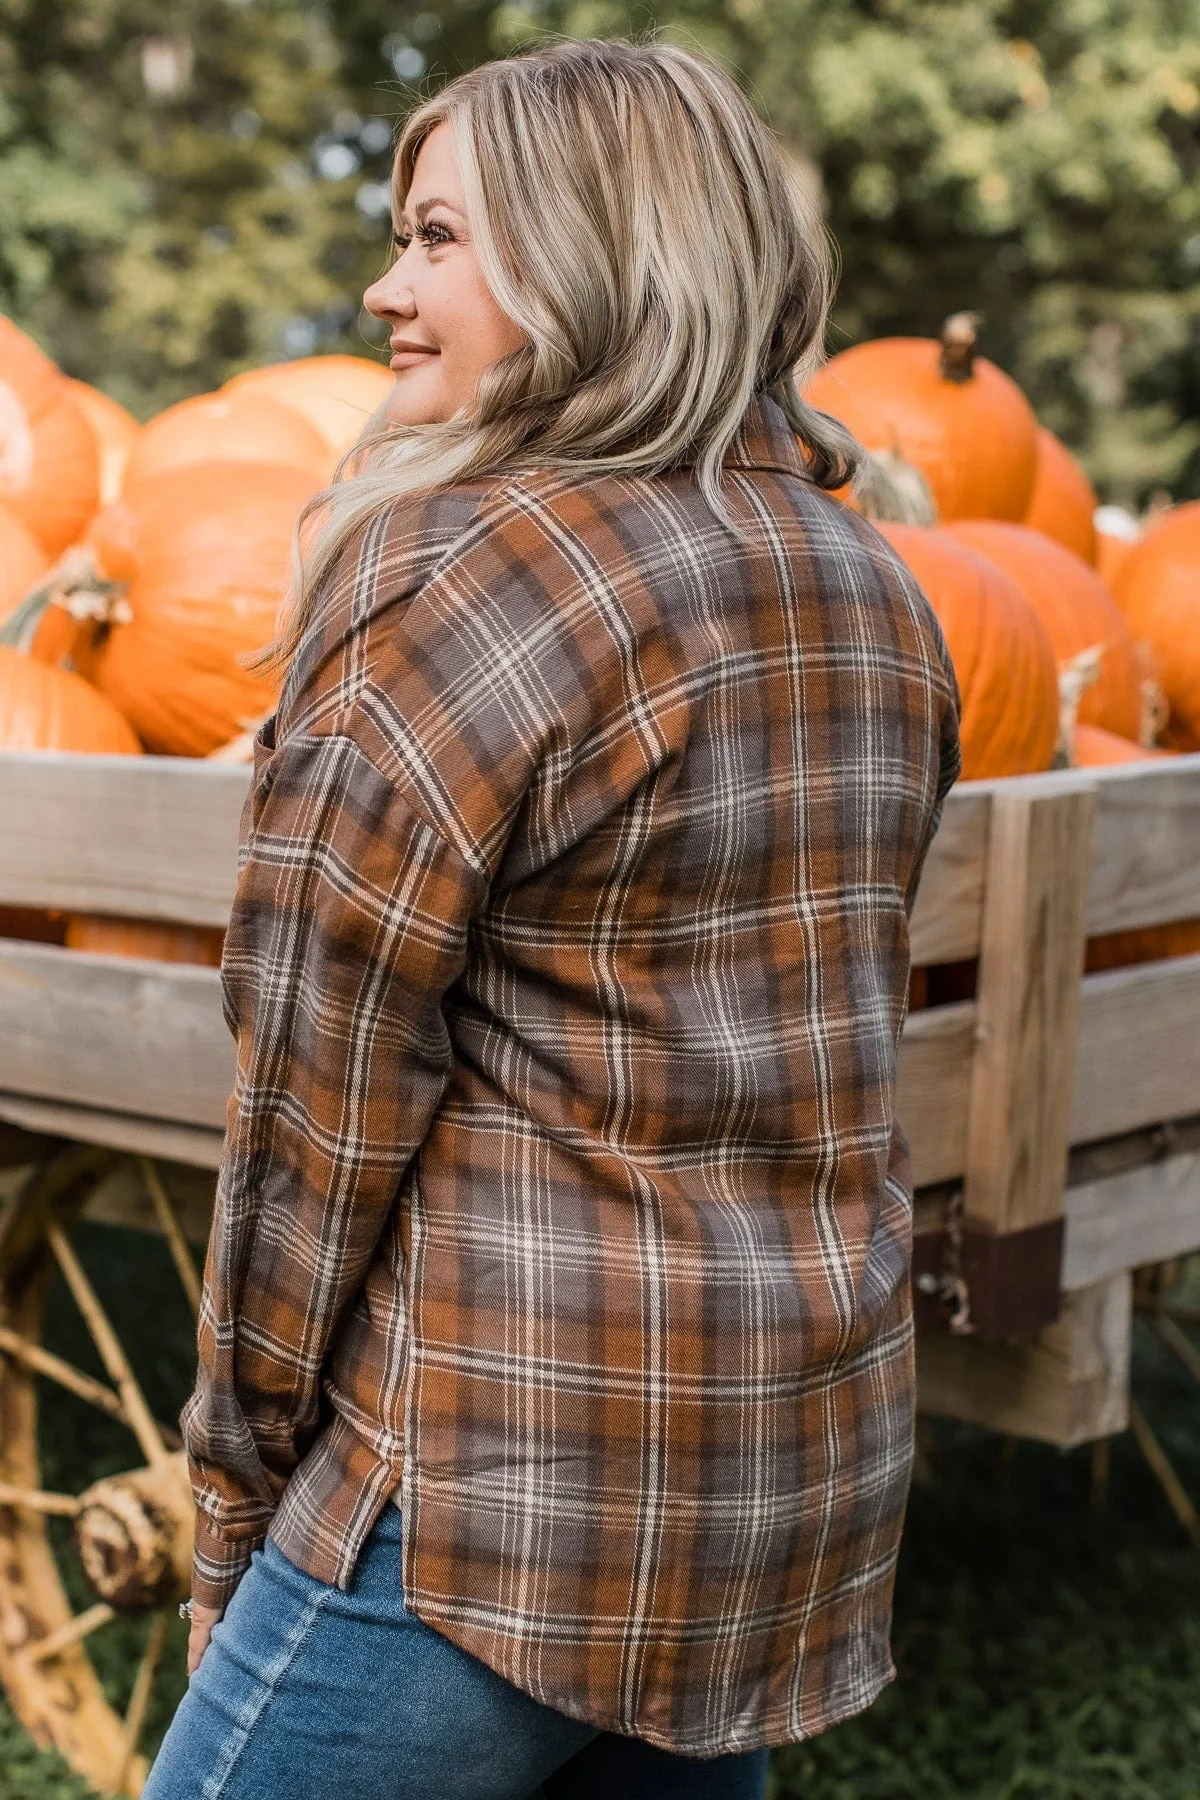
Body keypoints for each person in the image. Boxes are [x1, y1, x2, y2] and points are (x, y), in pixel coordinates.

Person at [143, 34, 961, 1800]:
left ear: (592, 252)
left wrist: (235, 1489)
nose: (384, 287)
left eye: (436, 238)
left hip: (485, 1513)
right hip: (771, 1485)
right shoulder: (876, 590)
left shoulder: (465, 574)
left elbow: (315, 1104)